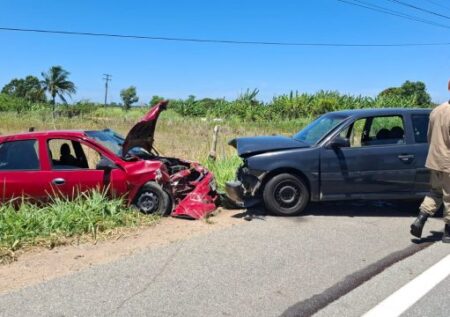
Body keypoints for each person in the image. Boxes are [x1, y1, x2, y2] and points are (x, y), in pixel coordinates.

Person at [410, 81, 450, 243]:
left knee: (435, 192)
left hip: (434, 161)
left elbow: (429, 137)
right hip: (448, 162)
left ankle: (420, 218)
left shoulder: (436, 111)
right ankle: (448, 233)